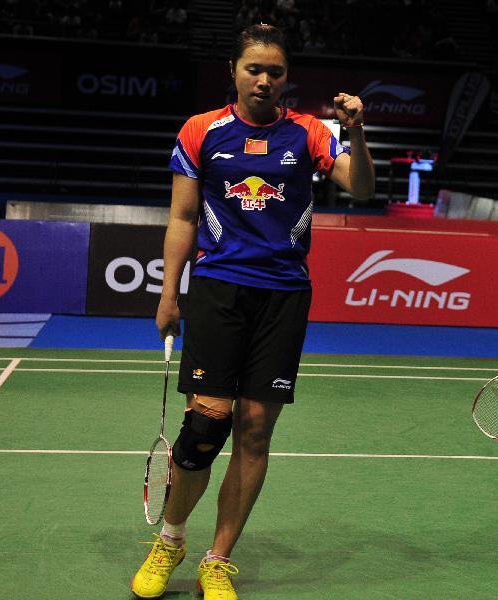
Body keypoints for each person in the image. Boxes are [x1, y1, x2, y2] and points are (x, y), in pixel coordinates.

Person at [130, 23, 374, 600]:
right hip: (218, 289)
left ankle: (218, 558)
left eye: (276, 71)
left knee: (256, 430)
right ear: (233, 73)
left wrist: (357, 134)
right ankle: (170, 539)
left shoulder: (311, 133)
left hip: (284, 294)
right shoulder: (202, 131)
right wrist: (169, 294)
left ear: (288, 78)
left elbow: (359, 188)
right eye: (254, 69)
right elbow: (183, 219)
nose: (264, 80)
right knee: (204, 426)